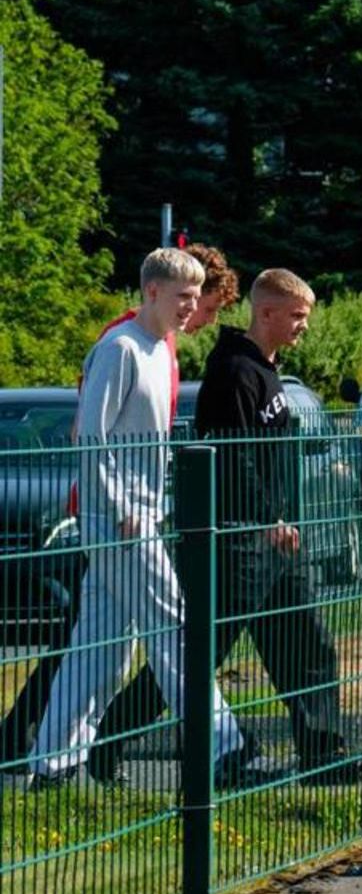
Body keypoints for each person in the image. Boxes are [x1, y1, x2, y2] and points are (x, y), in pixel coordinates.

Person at [92, 269, 356, 784]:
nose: (303, 327)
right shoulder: (234, 372)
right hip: (238, 540)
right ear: (267, 313)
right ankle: (108, 740)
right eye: (297, 316)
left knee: (308, 645)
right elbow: (235, 460)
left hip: (277, 541)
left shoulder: (267, 370)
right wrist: (267, 519)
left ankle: (325, 756)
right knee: (198, 651)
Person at [1, 244, 241, 770]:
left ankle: (54, 761)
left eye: (197, 296)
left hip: (134, 517)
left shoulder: (159, 348)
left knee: (101, 648)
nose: (191, 306)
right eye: (183, 295)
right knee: (174, 627)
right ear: (151, 291)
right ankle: (224, 748)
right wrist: (120, 505)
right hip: (121, 522)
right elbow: (90, 436)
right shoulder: (121, 348)